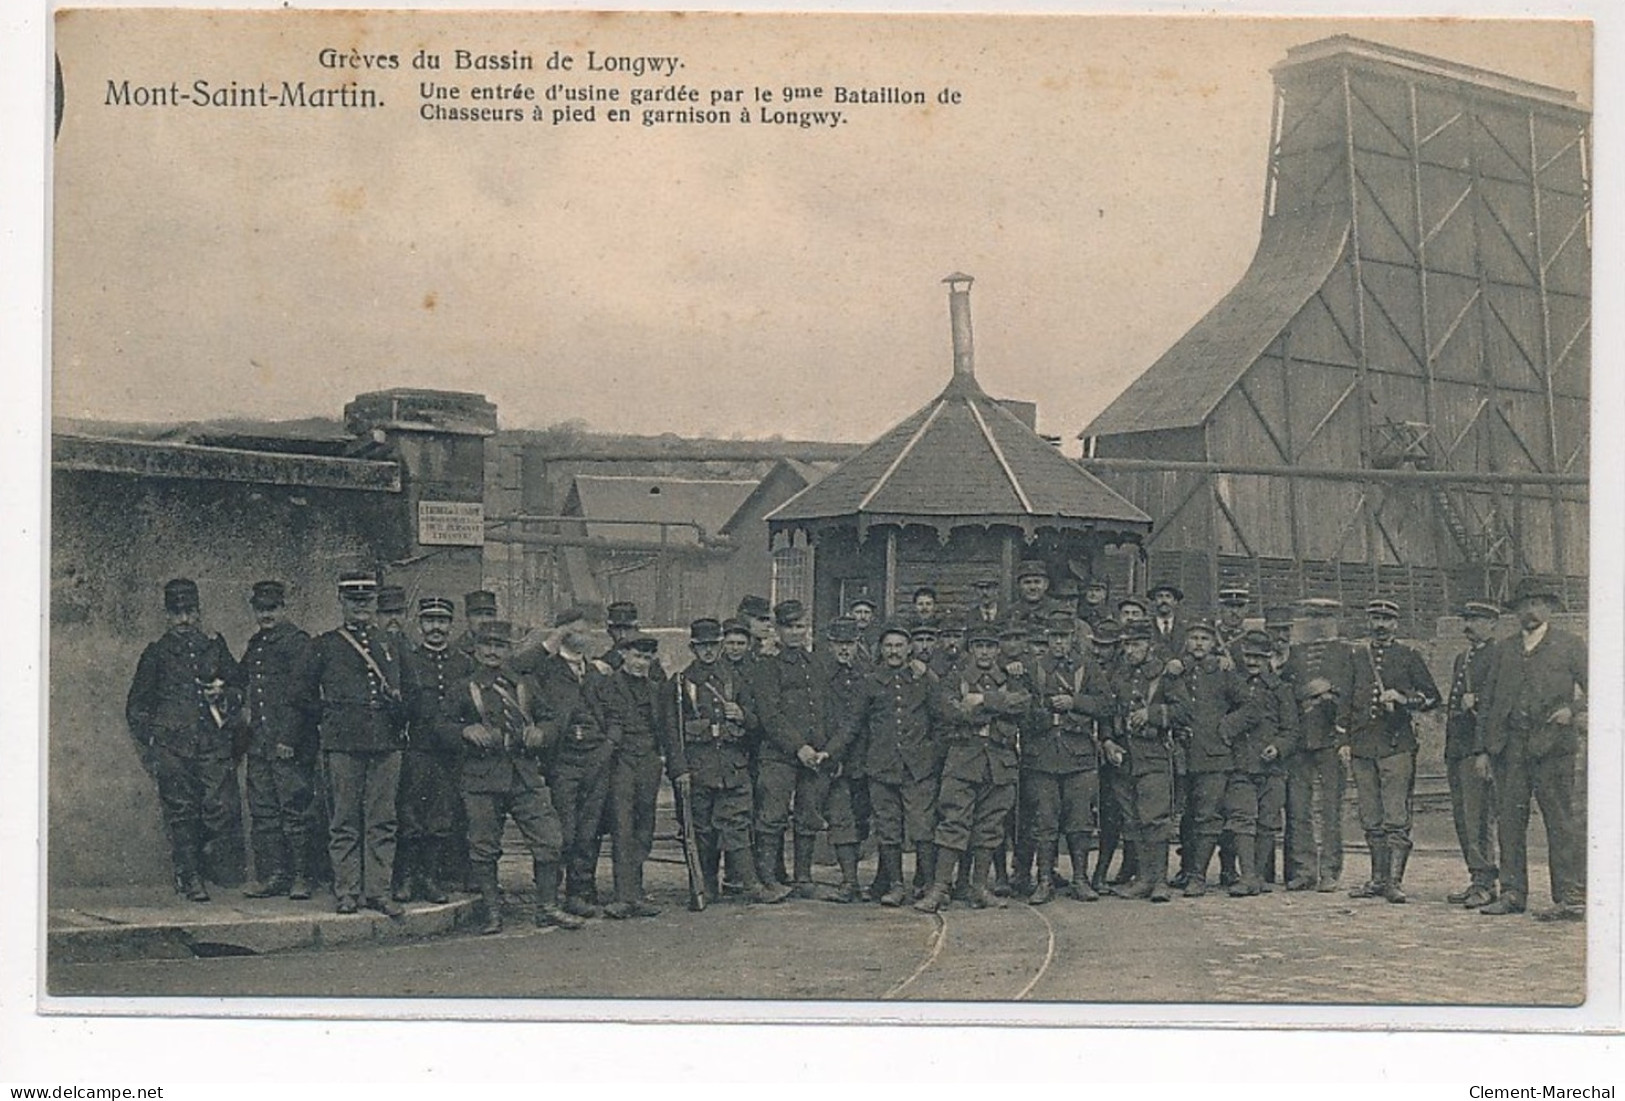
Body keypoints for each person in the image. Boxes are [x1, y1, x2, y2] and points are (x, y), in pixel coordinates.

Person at [452, 620, 584, 934]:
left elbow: (551, 718)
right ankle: (493, 913)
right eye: (487, 645)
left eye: (500, 645)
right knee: (484, 846)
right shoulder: (464, 687)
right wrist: (464, 730)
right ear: (476, 648)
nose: (492, 651)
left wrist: (543, 732)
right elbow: (440, 725)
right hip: (481, 778)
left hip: (523, 774)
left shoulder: (524, 684)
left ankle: (547, 907)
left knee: (550, 839)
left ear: (510, 649)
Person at [300, 571, 414, 916]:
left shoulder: (393, 644)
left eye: (367, 601)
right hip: (343, 744)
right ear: (342, 602)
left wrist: (399, 708)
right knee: (344, 819)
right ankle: (347, 891)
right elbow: (300, 693)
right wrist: (332, 714)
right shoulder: (325, 645)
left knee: (382, 819)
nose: (361, 607)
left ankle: (378, 891)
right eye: (354, 601)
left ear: (375, 602)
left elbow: (414, 693)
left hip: (386, 743)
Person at [125, 577, 244, 902]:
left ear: (199, 612)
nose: (185, 620)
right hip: (172, 747)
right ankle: (189, 875)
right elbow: (136, 707)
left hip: (211, 743)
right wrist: (154, 742)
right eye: (177, 613)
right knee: (181, 811)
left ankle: (202, 862)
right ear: (167, 615)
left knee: (219, 806)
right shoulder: (156, 654)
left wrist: (224, 693)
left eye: (190, 612)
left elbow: (239, 686)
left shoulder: (214, 646)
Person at [1479, 578, 1587, 921]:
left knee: (1561, 821)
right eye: (1524, 603)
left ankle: (1569, 896)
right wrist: (1484, 749)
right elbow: (1489, 702)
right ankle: (1512, 893)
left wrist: (1573, 711)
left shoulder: (1570, 645)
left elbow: (1604, 684)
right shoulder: (1504, 649)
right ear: (1516, 611)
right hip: (1510, 749)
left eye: (1539, 603)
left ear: (1550, 608)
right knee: (1510, 822)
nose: (1531, 609)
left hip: (1554, 747)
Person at [668, 618, 793, 906]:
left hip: (733, 766)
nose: (708, 652)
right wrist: (680, 770)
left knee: (737, 824)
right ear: (693, 648)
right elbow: (671, 732)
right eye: (702, 647)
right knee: (702, 830)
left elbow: (759, 721)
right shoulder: (680, 683)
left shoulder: (736, 681)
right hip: (699, 768)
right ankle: (705, 885)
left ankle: (751, 884)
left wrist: (743, 716)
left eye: (713, 645)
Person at [915, 622, 1030, 913]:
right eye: (979, 645)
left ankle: (979, 886)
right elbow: (950, 710)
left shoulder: (1011, 676)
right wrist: (997, 708)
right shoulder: (956, 677)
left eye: (990, 646)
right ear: (970, 649)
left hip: (1000, 762)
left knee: (990, 826)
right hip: (964, 759)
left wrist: (982, 700)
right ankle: (940, 887)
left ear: (998, 649)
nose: (985, 652)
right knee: (954, 821)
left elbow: (1023, 705)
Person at [1345, 598, 1440, 904]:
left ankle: (1394, 882)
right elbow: (1346, 700)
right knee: (1370, 816)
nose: (1380, 625)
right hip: (1362, 746)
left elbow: (1431, 697)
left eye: (1386, 619)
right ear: (1368, 622)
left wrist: (1403, 697)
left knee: (1395, 816)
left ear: (1396, 624)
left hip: (1396, 745)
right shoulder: (1357, 657)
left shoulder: (1408, 656)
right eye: (1375, 618)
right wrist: (1344, 740)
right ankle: (1376, 879)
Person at [527, 605, 617, 918]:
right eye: (575, 630)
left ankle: (581, 892)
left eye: (587, 629)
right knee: (563, 828)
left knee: (588, 829)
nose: (584, 635)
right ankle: (552, 895)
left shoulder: (597, 672)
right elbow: (518, 668)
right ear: (562, 633)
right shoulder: (546, 670)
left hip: (595, 757)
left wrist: (607, 746)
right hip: (563, 759)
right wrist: (551, 641)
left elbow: (614, 713)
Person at [1023, 610, 1111, 903]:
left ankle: (1080, 879)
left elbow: (1106, 704)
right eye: (1054, 638)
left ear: (1073, 638)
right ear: (1046, 639)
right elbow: (1020, 709)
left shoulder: (1087, 667)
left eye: (1064, 637)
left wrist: (1075, 702)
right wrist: (1045, 711)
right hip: (1043, 757)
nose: (1059, 643)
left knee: (1080, 820)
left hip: (1079, 756)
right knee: (1045, 821)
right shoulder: (1033, 669)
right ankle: (1044, 879)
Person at [853, 621, 942, 906]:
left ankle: (927, 884)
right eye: (888, 646)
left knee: (922, 826)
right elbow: (856, 725)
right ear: (881, 649)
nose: (893, 652)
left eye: (899, 646)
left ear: (909, 649)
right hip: (882, 767)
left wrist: (931, 753)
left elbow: (941, 715)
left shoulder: (923, 679)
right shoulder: (870, 682)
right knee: (887, 828)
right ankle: (895, 885)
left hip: (918, 768)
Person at [751, 599, 836, 897]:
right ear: (778, 630)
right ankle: (768, 878)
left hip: (813, 756)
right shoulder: (768, 667)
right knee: (772, 816)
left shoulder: (816, 663)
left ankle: (803, 878)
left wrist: (822, 749)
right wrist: (798, 747)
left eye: (801, 626)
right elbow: (769, 715)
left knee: (808, 815)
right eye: (789, 627)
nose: (796, 633)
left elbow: (823, 708)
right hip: (779, 756)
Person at [240, 580, 318, 900]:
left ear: (284, 608)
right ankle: (274, 875)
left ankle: (301, 877)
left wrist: (289, 737)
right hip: (259, 743)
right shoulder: (257, 644)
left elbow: (303, 697)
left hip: (288, 744)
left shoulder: (297, 643)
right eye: (261, 609)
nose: (266, 615)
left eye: (272, 608)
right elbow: (242, 680)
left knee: (294, 810)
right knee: (264, 812)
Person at [393, 595, 474, 905]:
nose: (436, 628)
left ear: (451, 625)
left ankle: (431, 877)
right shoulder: (408, 660)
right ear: (420, 624)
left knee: (442, 815)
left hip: (451, 752)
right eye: (430, 621)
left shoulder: (463, 664)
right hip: (418, 748)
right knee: (410, 814)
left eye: (442, 621)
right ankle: (407, 878)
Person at [1107, 620, 1191, 902]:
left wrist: (1153, 714)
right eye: (1126, 645)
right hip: (1125, 757)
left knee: (1155, 820)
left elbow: (1184, 711)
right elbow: (1108, 711)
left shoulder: (1165, 675)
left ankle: (1160, 882)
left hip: (1154, 755)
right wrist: (1109, 740)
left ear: (1149, 645)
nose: (1130, 650)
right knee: (1133, 821)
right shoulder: (1118, 675)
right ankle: (1143, 879)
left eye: (1136, 644)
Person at [1166, 619, 1249, 896]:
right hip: (1183, 755)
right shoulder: (1177, 671)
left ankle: (1199, 876)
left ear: (1214, 644)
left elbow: (1249, 706)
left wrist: (1227, 728)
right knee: (1187, 817)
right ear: (1186, 643)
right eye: (1194, 638)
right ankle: (1187, 868)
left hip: (1214, 756)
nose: (1199, 643)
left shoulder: (1224, 671)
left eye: (1204, 638)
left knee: (1208, 815)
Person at [1280, 597, 1356, 892]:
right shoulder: (1295, 653)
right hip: (1300, 740)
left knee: (1330, 809)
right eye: (1311, 616)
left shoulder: (1345, 652)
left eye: (1324, 616)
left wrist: (1332, 693)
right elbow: (1285, 690)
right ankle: (1304, 870)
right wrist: (1306, 693)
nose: (1317, 622)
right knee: (1299, 809)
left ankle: (1330, 871)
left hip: (1330, 739)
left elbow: (1352, 691)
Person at [596, 628, 670, 919]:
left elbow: (663, 727)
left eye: (647, 658)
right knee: (623, 828)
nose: (642, 663)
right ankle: (623, 895)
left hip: (648, 762)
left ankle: (636, 894)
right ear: (623, 654)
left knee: (644, 828)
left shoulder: (654, 688)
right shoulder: (607, 686)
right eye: (637, 656)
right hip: (621, 762)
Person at [1223, 630, 1298, 896]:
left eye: (1258, 657)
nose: (1252, 662)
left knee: (1267, 821)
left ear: (1269, 658)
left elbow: (1291, 730)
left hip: (1272, 768)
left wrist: (1277, 747)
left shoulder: (1281, 690)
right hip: (1241, 764)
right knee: (1243, 819)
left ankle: (1258, 874)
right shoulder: (1233, 686)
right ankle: (1248, 876)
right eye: (1248, 656)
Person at [1444, 601, 1503, 909]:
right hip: (1457, 748)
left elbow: (1503, 699)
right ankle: (1475, 878)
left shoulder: (1499, 655)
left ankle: (1485, 883)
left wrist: (1477, 698)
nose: (1469, 625)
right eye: (1467, 619)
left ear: (1492, 623)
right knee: (1463, 818)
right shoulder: (1461, 658)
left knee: (1478, 817)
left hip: (1478, 748)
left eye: (1477, 619)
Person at [820, 617, 872, 901]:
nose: (844, 650)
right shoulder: (821, 676)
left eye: (849, 644)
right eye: (839, 644)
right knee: (841, 819)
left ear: (857, 645)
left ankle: (869, 880)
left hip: (863, 758)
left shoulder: (868, 674)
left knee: (863, 819)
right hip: (834, 757)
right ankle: (849, 881)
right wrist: (830, 753)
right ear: (830, 645)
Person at [1007, 559, 1058, 635]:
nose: (1032, 587)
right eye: (1027, 582)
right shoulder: (1010, 614)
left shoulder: (1057, 610)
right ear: (1018, 586)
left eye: (1037, 582)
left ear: (1046, 584)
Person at [1147, 581, 1188, 657]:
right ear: (1154, 601)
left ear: (1175, 602)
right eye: (1160, 596)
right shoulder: (1146, 627)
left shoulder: (1185, 628)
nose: (1164, 600)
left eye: (1168, 596)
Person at [454, 590, 499, 657]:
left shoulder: (502, 649)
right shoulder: (456, 650)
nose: (484, 620)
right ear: (467, 617)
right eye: (478, 614)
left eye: (489, 614)